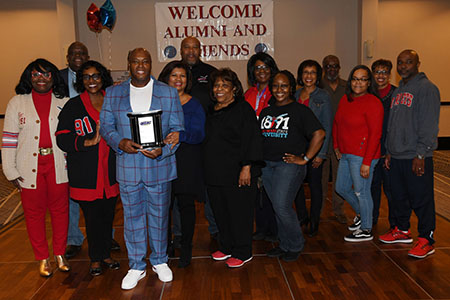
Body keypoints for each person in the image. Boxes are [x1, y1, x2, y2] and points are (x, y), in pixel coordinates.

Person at [100, 48, 184, 289]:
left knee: (159, 217)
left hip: (159, 165)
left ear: (150, 64)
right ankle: (136, 265)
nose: (140, 65)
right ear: (128, 64)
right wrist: (119, 142)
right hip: (128, 167)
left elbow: (177, 129)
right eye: (135, 61)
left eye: (145, 61)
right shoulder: (113, 93)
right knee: (132, 218)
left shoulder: (168, 93)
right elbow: (106, 127)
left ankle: (159, 261)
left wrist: (164, 149)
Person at [2, 58, 70, 277]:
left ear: (54, 77)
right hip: (28, 165)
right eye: (36, 74)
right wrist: (10, 169)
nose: (41, 79)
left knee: (60, 211)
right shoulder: (17, 103)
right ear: (28, 78)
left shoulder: (64, 101)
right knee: (33, 213)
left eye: (46, 74)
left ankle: (60, 254)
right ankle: (42, 257)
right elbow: (9, 139)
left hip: (58, 164)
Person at [56, 60, 120, 276]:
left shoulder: (112, 101)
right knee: (92, 219)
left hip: (111, 172)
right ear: (80, 81)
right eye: (86, 77)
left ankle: (105, 254)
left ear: (103, 78)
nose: (91, 81)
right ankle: (96, 258)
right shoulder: (73, 106)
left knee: (108, 216)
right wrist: (87, 142)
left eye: (96, 76)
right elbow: (61, 138)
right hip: (86, 174)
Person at [260, 70, 325, 262]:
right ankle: (285, 244)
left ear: (291, 88)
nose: (279, 89)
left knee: (281, 206)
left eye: (284, 85)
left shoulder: (300, 110)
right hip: (267, 166)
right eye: (276, 86)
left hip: (288, 166)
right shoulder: (266, 111)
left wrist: (305, 158)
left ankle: (295, 244)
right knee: (279, 206)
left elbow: (319, 134)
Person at [382, 50, 440, 259]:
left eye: (408, 62)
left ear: (418, 64)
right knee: (399, 196)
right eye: (400, 62)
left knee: (421, 199)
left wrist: (422, 154)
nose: (403, 66)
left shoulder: (427, 89)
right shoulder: (399, 91)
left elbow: (429, 125)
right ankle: (402, 229)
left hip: (416, 157)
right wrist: (389, 151)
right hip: (396, 155)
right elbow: (393, 125)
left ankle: (426, 239)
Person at [204, 68, 263, 268]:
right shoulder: (211, 110)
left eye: (225, 85)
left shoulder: (243, 109)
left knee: (240, 213)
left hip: (238, 172)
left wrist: (246, 167)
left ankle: (243, 251)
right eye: (217, 85)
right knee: (220, 212)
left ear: (234, 89)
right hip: (215, 172)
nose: (220, 89)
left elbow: (252, 140)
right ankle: (227, 246)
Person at [158, 61, 206, 268]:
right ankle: (165, 246)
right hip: (161, 161)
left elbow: (200, 134)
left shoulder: (194, 104)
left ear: (188, 80)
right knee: (163, 206)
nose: (178, 80)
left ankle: (186, 248)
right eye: (174, 75)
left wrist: (181, 135)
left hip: (187, 161)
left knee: (186, 206)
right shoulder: (156, 102)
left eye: (183, 76)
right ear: (166, 78)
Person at [333, 65, 383, 242]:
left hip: (363, 155)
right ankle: (363, 214)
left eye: (363, 79)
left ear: (369, 82)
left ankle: (366, 229)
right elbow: (337, 122)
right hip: (346, 153)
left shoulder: (373, 103)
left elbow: (375, 134)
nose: (358, 82)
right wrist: (337, 145)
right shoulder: (345, 100)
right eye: (355, 78)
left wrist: (367, 162)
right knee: (341, 188)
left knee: (362, 191)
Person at [178, 36, 219, 242]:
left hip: (207, 140)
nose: (191, 51)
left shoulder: (211, 73)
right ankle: (178, 234)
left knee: (210, 186)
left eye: (195, 47)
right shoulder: (171, 73)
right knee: (178, 191)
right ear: (181, 50)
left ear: (200, 50)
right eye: (187, 47)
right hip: (179, 144)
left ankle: (216, 230)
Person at [294, 60, 332, 237]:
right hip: (296, 149)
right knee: (295, 185)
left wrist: (321, 153)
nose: (308, 76)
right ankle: (302, 216)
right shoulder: (295, 95)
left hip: (315, 148)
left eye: (313, 73)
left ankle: (314, 220)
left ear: (318, 77)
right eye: (305, 72)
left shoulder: (323, 96)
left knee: (315, 186)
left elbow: (326, 126)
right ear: (300, 75)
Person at [244, 52, 279, 242]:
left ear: (272, 69)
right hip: (254, 147)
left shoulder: (278, 92)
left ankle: (274, 229)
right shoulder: (249, 93)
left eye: (265, 67)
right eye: (257, 68)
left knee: (271, 190)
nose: (262, 71)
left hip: (272, 145)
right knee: (257, 190)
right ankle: (262, 228)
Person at [320, 55, 348, 224]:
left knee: (340, 179)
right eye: (328, 66)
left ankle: (339, 210)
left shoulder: (347, 86)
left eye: (335, 66)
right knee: (321, 180)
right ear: (324, 68)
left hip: (341, 141)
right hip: (322, 142)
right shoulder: (318, 86)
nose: (332, 69)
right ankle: (320, 211)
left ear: (339, 67)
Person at [370, 59, 397, 226]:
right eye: (377, 72)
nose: (381, 76)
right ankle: (370, 221)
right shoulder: (368, 93)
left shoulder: (396, 93)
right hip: (372, 150)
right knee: (372, 188)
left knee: (391, 189)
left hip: (390, 149)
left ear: (389, 74)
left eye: (384, 72)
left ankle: (395, 224)